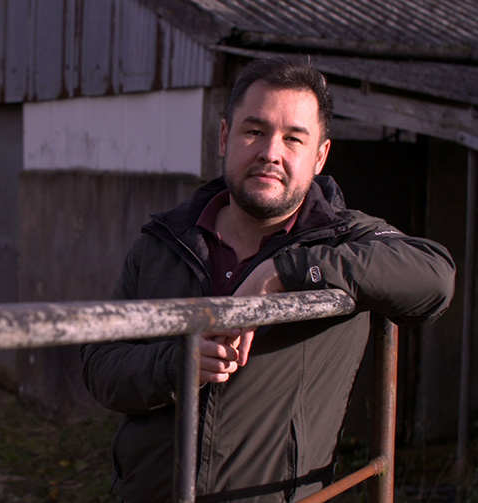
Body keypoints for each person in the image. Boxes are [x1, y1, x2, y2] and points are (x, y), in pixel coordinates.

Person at [80, 57, 456, 503]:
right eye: (254, 131)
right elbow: (99, 363)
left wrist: (283, 274)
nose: (270, 152)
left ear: (320, 156)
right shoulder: (163, 242)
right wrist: (175, 365)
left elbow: (435, 275)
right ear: (225, 137)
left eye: (293, 138)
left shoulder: (344, 237)